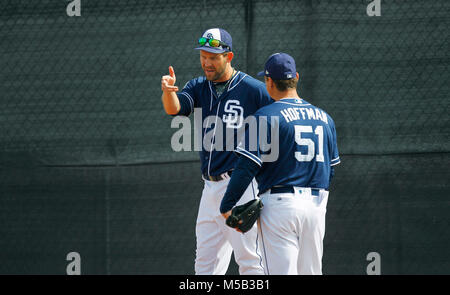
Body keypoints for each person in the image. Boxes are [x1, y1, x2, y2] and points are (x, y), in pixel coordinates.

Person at [160, 28, 273, 275]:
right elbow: (175, 109)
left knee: (251, 261)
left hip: (240, 185)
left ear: (228, 57)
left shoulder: (253, 90)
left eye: (213, 56)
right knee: (205, 265)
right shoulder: (199, 86)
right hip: (209, 188)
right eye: (203, 56)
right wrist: (169, 93)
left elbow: (280, 117)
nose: (206, 62)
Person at [220, 53, 340, 275]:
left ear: (269, 81)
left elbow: (246, 167)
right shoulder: (325, 118)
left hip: (280, 206)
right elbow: (330, 170)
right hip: (316, 205)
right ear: (296, 77)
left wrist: (227, 205)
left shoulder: (265, 116)